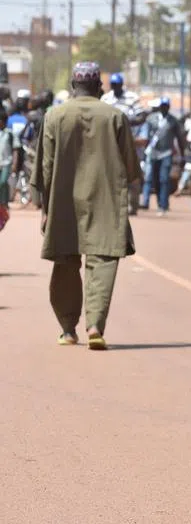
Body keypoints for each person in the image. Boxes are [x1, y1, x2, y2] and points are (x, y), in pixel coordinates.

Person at [35, 62, 142, 350]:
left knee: (65, 263)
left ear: (73, 86)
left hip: (63, 202)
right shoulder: (116, 117)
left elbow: (45, 169)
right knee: (103, 259)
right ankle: (95, 325)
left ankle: (68, 330)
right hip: (105, 200)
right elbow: (131, 169)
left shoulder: (54, 116)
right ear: (99, 88)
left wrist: (46, 210)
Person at [101, 73, 146, 215]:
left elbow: (141, 116)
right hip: (110, 140)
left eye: (118, 85)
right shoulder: (106, 99)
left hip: (129, 140)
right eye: (113, 85)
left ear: (122, 85)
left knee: (132, 172)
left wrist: (125, 121)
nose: (116, 88)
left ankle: (133, 204)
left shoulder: (132, 98)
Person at [140, 98, 185, 216]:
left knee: (164, 179)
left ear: (168, 107)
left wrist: (183, 155)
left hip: (166, 153)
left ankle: (163, 205)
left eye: (166, 106)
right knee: (150, 178)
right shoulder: (151, 119)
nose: (164, 108)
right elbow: (145, 136)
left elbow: (180, 139)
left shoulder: (173, 121)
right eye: (162, 106)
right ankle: (145, 201)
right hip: (152, 153)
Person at [0, 112, 14, 207]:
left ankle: (4, 203)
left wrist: (15, 163)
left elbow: (16, 148)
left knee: (3, 182)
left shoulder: (9, 134)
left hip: (6, 162)